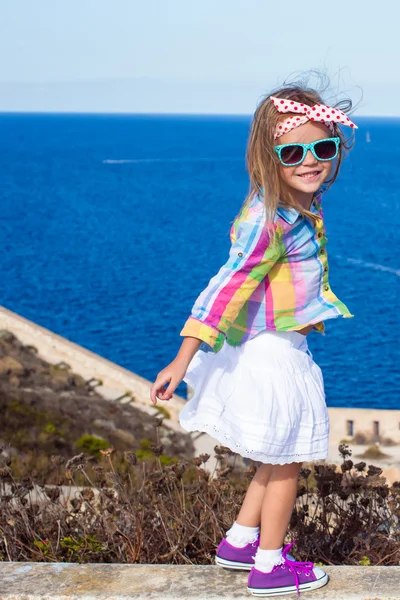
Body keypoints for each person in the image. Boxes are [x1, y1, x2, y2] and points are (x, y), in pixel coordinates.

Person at [150, 83, 357, 597]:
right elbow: (224, 287)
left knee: (275, 453)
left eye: (323, 149)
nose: (311, 162)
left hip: (273, 344)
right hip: (272, 354)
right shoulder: (272, 222)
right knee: (288, 461)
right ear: (271, 159)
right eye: (293, 152)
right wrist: (183, 357)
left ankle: (241, 541)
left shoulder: (288, 207)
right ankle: (269, 567)